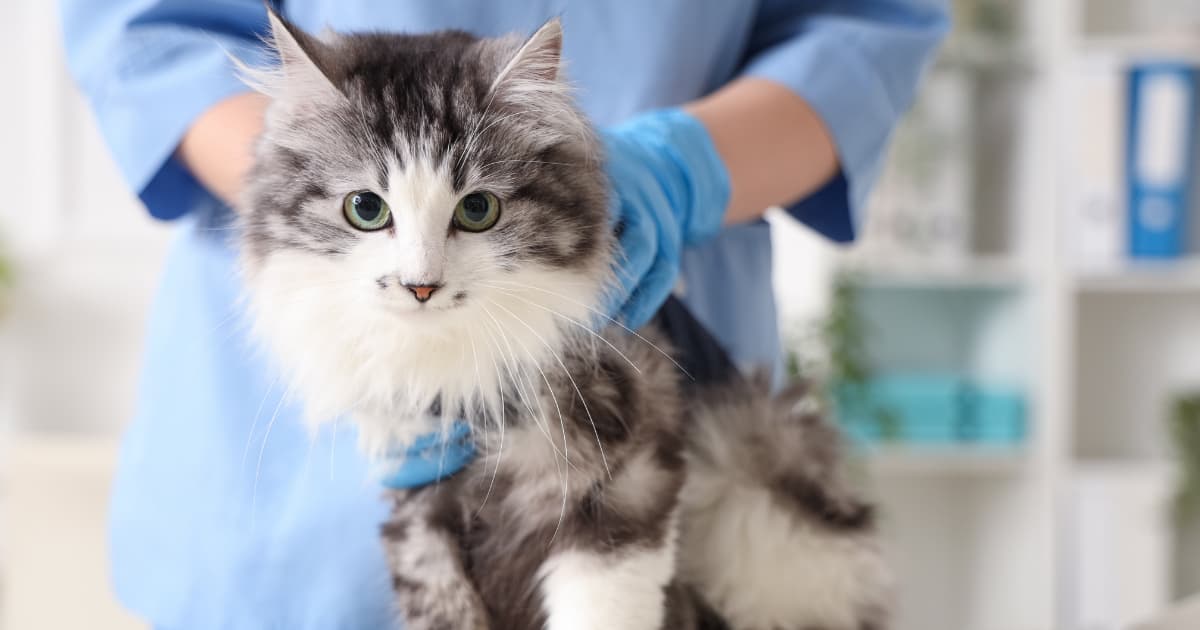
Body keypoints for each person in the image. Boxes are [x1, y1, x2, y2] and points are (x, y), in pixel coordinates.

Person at [60, 1, 947, 628]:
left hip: (672, 407)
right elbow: (147, 39)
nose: (420, 277)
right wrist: (319, 160)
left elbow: (863, 35)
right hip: (279, 518)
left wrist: (689, 166)